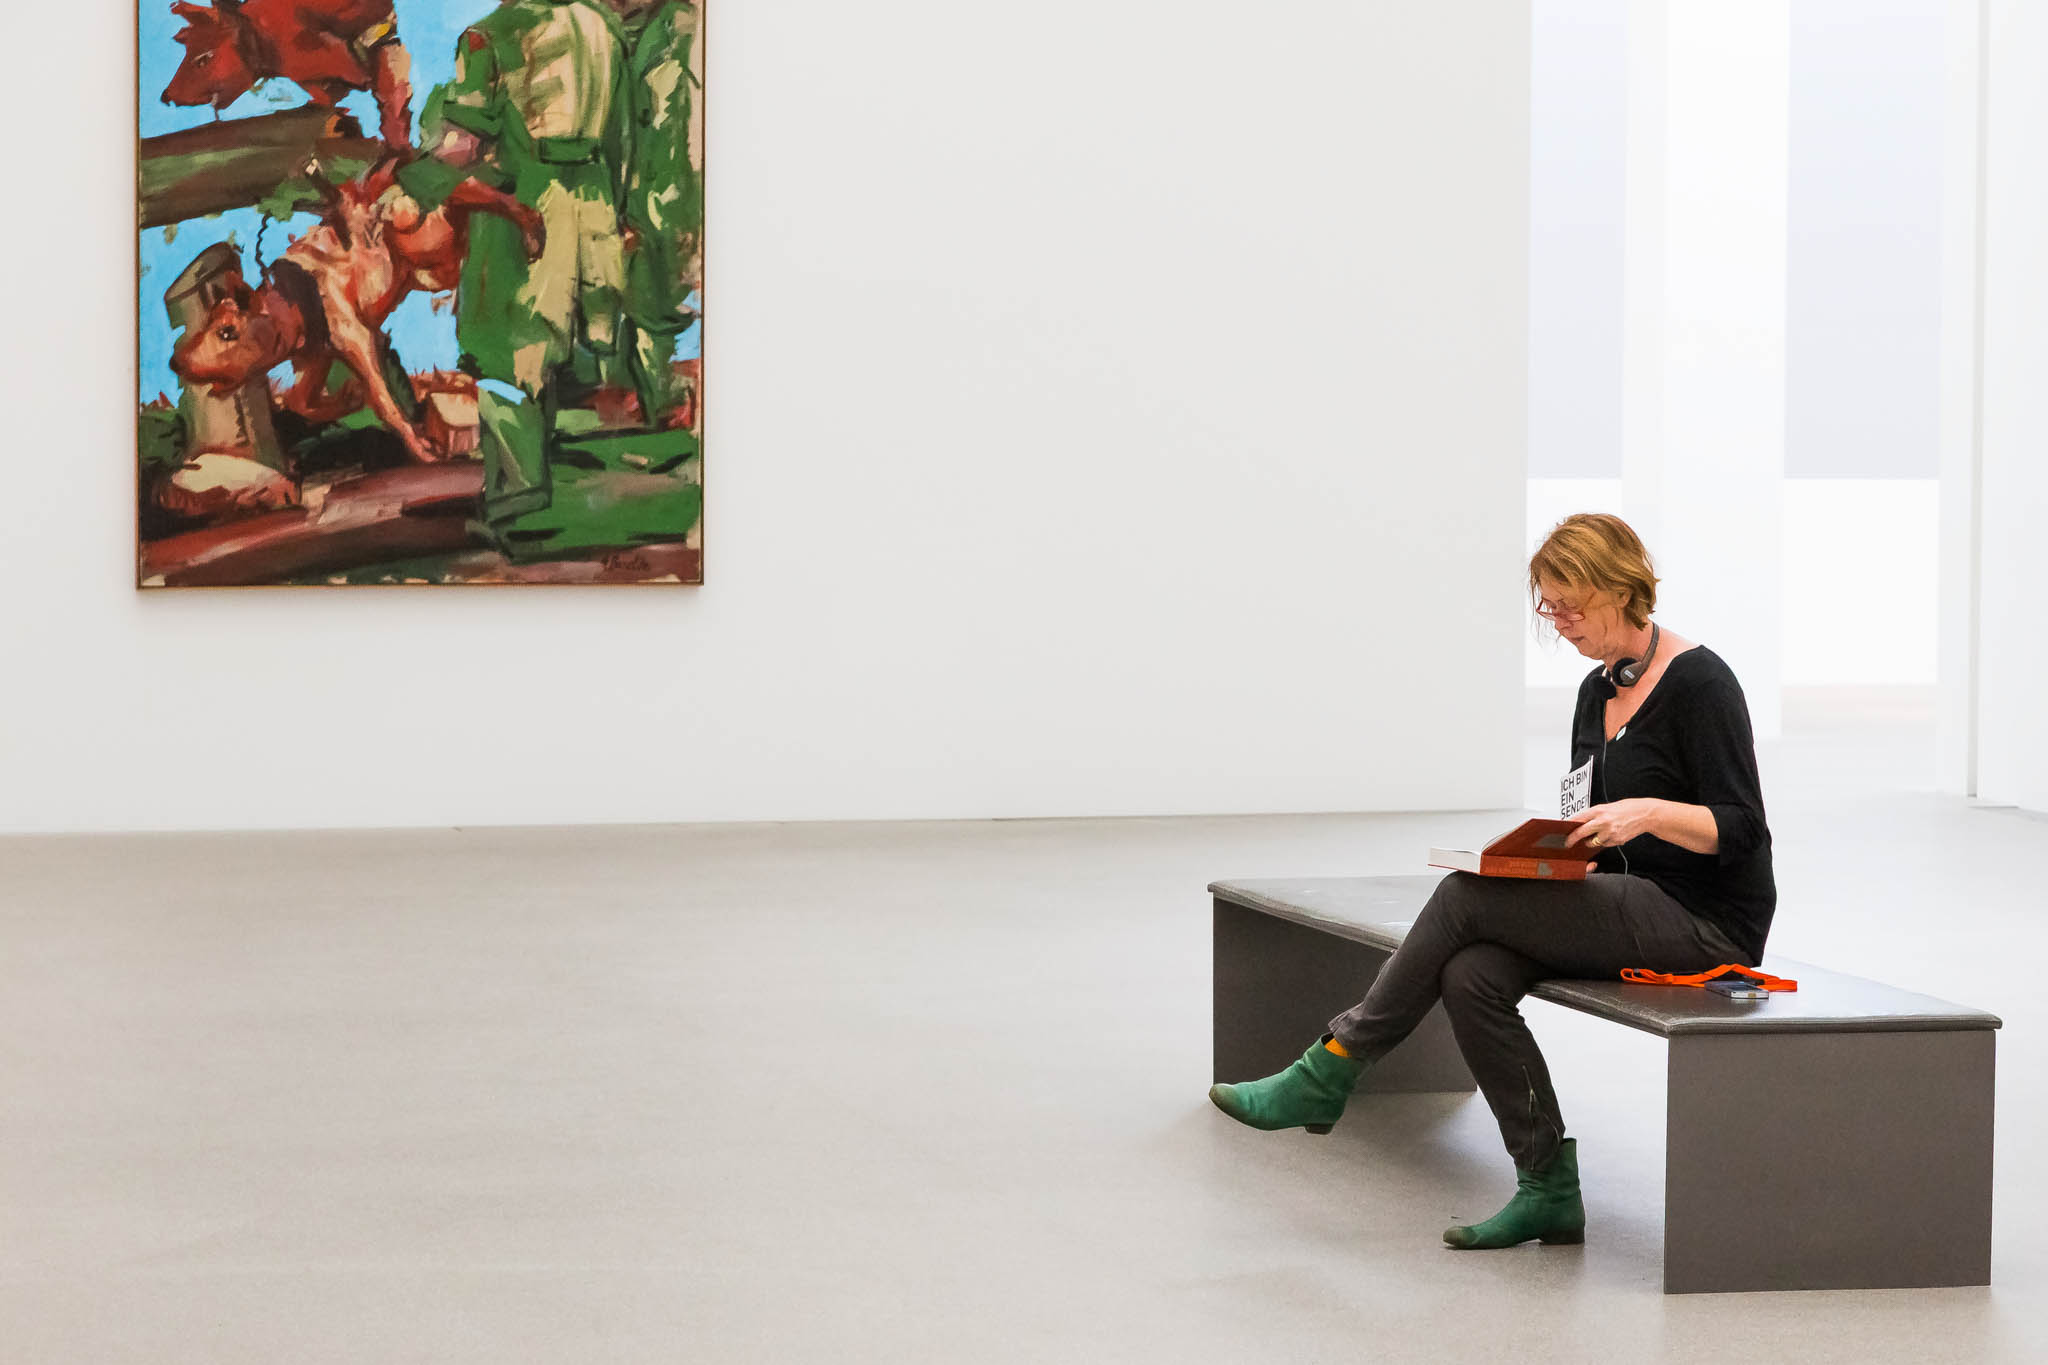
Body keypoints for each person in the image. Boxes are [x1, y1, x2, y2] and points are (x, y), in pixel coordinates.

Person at [1209, 512, 1776, 1250]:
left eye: (1572, 604)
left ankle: (1333, 1064)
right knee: (1472, 972)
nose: (1560, 621)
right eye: (1549, 606)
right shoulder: (1593, 693)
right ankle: (1547, 1187)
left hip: (1703, 918)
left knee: (1462, 897)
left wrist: (1651, 813)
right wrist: (1545, 855)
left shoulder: (1702, 682)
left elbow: (1742, 830)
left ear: (1622, 586)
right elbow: (1584, 817)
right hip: (1623, 901)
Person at [400, 0, 632, 524]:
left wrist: (413, 171)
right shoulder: (600, 29)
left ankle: (519, 499)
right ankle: (533, 485)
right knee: (545, 347)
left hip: (523, 206)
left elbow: (459, 149)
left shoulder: (490, 37)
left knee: (504, 349)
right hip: (590, 206)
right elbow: (622, 140)